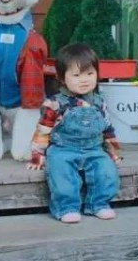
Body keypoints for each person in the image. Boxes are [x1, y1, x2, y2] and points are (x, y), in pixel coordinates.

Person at [26, 43, 121, 223]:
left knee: (107, 172)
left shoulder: (99, 102)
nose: (84, 80)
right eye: (76, 75)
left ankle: (98, 204)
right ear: (62, 78)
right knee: (61, 175)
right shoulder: (55, 104)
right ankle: (66, 207)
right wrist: (37, 155)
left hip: (94, 148)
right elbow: (43, 130)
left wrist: (113, 151)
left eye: (90, 73)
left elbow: (107, 127)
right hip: (63, 148)